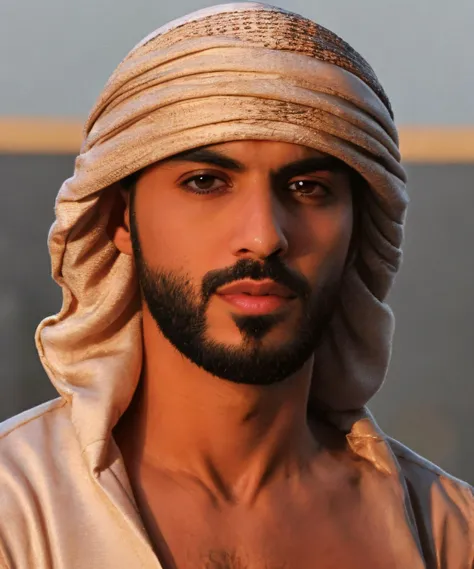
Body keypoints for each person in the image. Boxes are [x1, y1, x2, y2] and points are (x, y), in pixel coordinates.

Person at [0, 3, 472, 568]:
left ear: (358, 231)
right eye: (205, 182)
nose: (264, 237)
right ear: (120, 221)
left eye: (308, 186)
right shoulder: (16, 513)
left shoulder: (448, 534)